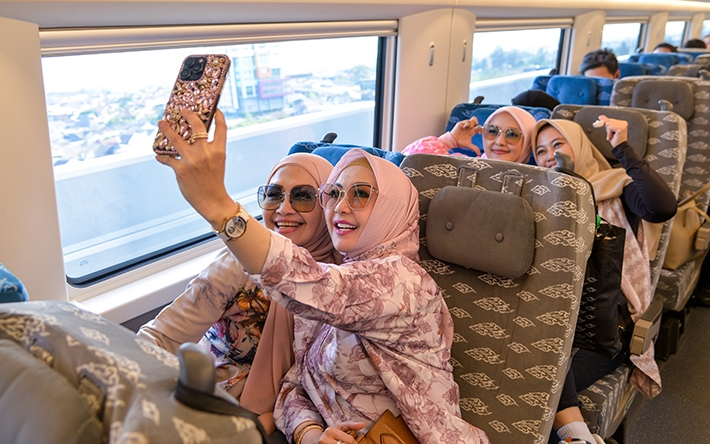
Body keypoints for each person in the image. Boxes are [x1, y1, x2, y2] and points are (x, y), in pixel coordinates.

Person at [155, 109, 490, 444]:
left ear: (390, 208)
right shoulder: (336, 278)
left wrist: (218, 206)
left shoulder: (403, 282)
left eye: (361, 194)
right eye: (335, 194)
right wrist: (312, 434)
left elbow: (311, 284)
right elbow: (296, 384)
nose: (341, 207)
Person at [138, 152, 341, 434]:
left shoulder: (344, 278)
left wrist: (273, 422)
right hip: (208, 399)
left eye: (303, 196)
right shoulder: (240, 264)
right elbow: (162, 336)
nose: (283, 209)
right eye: (273, 195)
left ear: (328, 204)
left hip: (284, 415)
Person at [532, 117, 677, 444]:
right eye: (540, 151)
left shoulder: (615, 187)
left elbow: (662, 207)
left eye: (558, 145)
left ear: (579, 146)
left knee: (542, 373)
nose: (549, 156)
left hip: (602, 328)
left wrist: (623, 148)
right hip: (551, 318)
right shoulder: (540, 198)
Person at [401, 105, 537, 164]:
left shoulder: (536, 182)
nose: (499, 142)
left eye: (512, 135)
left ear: (528, 143)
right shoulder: (465, 164)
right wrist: (449, 141)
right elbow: (409, 162)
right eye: (492, 131)